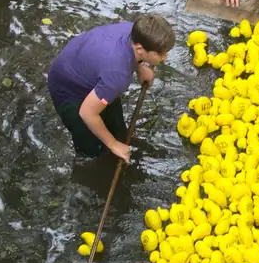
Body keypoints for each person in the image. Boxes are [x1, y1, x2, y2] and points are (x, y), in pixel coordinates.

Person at [46, 15, 175, 162]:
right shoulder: (118, 75)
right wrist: (113, 145)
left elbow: (128, 54)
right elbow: (87, 113)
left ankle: (113, 141)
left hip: (90, 69)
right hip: (68, 88)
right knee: (91, 149)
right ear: (140, 49)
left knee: (118, 130)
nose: (165, 57)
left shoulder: (134, 30)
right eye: (160, 53)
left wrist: (140, 68)